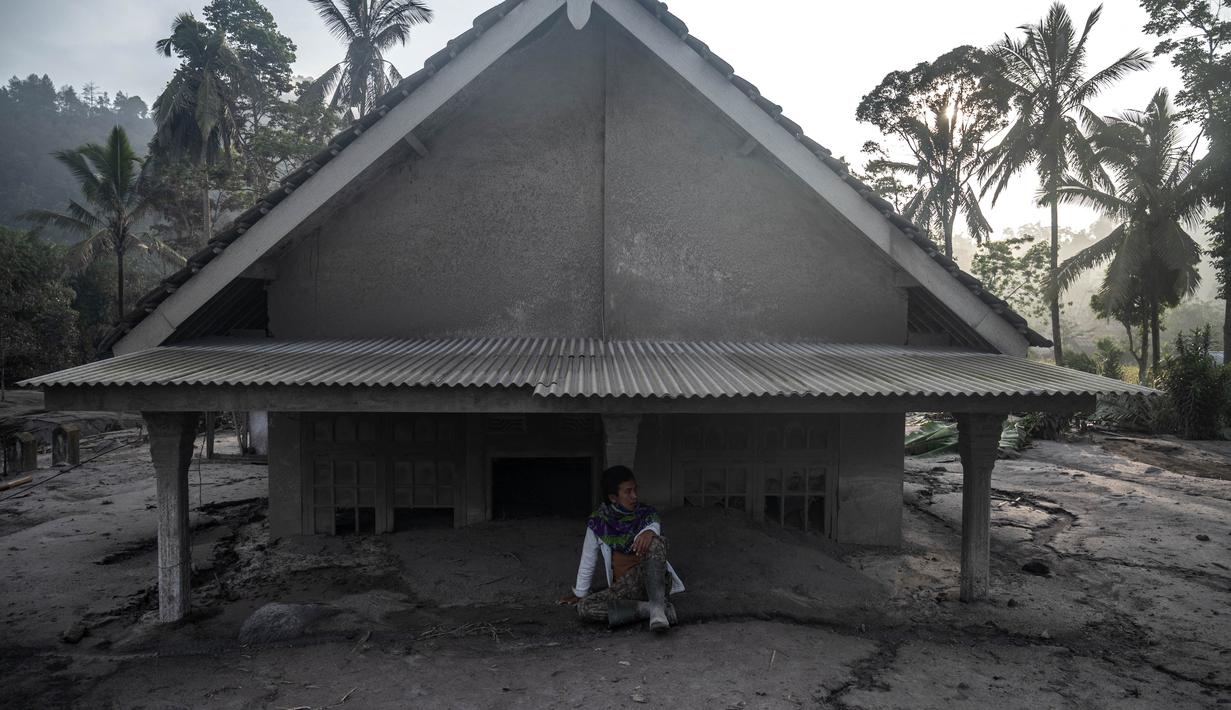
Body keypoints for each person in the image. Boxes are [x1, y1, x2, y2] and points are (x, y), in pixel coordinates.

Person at [558, 465, 684, 630]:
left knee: (655, 542)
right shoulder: (598, 523)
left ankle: (656, 607)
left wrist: (649, 532)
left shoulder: (647, 514)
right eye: (628, 492)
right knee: (585, 608)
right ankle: (653, 609)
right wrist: (580, 593)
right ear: (613, 497)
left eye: (635, 490)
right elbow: (588, 558)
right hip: (624, 588)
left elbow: (654, 527)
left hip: (655, 582)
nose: (634, 496)